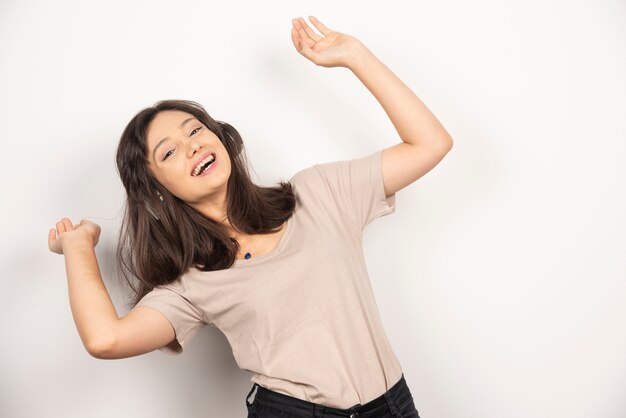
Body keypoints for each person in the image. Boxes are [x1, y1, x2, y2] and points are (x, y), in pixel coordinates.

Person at [48, 15, 453, 418]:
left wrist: (355, 55)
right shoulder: (192, 283)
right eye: (168, 153)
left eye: (195, 131)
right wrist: (78, 245)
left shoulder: (318, 192)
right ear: (156, 189)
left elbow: (430, 143)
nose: (192, 147)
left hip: (392, 405)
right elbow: (105, 339)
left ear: (218, 136)